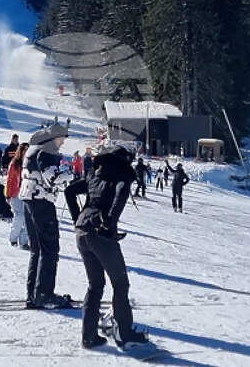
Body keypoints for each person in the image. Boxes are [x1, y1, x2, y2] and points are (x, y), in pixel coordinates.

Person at [65, 145, 149, 349]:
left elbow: (69, 191)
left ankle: (88, 336)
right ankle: (124, 333)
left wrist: (77, 218)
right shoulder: (121, 175)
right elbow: (119, 196)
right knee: (120, 283)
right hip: (101, 234)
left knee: (95, 284)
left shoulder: (95, 173)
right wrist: (109, 224)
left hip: (82, 231)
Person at [19, 123, 72, 309]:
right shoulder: (46, 152)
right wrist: (70, 175)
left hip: (29, 200)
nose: (63, 142)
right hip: (41, 201)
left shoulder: (33, 150)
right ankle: (44, 294)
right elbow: (53, 178)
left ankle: (33, 294)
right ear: (53, 137)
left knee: (37, 249)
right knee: (50, 248)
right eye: (61, 138)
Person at [6, 142, 30, 248]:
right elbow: (9, 180)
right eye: (24, 150)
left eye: (27, 150)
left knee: (28, 219)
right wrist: (8, 195)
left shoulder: (30, 164)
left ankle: (24, 241)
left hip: (27, 193)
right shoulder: (14, 163)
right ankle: (13, 238)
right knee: (19, 216)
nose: (26, 152)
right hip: (16, 193)